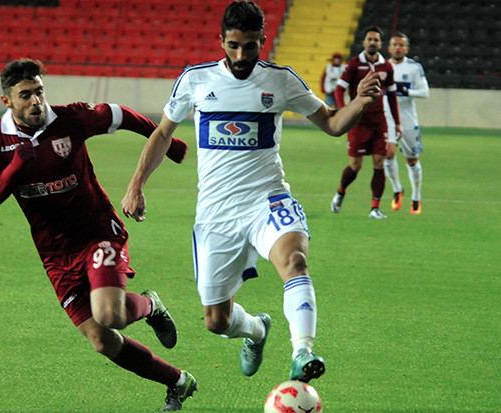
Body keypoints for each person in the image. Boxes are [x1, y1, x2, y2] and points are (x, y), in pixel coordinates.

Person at [121, 1, 381, 383]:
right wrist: (136, 184)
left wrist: (358, 102)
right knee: (216, 320)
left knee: (295, 261)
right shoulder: (196, 80)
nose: (241, 55)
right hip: (216, 215)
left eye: (250, 46)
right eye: (233, 45)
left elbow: (331, 123)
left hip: (268, 200)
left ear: (263, 40)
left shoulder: (281, 80)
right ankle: (257, 330)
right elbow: (162, 133)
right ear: (221, 41)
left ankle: (302, 353)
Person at [0, 58, 197, 412]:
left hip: (98, 232)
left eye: (39, 92)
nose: (36, 101)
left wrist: (167, 143)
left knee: (110, 314)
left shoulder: (69, 119)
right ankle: (178, 381)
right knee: (101, 340)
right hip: (55, 252)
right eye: (25, 95)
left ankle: (150, 305)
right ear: (8, 101)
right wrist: (19, 162)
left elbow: (119, 114)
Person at [331, 26, 403, 219]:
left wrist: (397, 122)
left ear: (381, 44)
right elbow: (339, 89)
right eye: (369, 39)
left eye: (376, 40)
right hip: (358, 122)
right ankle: (340, 192)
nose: (373, 43)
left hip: (379, 122)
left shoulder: (386, 67)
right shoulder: (354, 65)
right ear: (364, 43)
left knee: (380, 162)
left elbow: (392, 95)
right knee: (355, 165)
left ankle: (375, 208)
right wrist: (344, 109)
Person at [383, 32, 429, 214]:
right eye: (395, 44)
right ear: (389, 48)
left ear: (406, 49)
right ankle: (397, 189)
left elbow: (425, 92)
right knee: (388, 154)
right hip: (387, 119)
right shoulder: (382, 66)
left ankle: (416, 196)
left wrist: (407, 92)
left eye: (401, 45)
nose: (398, 47)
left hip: (408, 120)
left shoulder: (414, 68)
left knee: (411, 160)